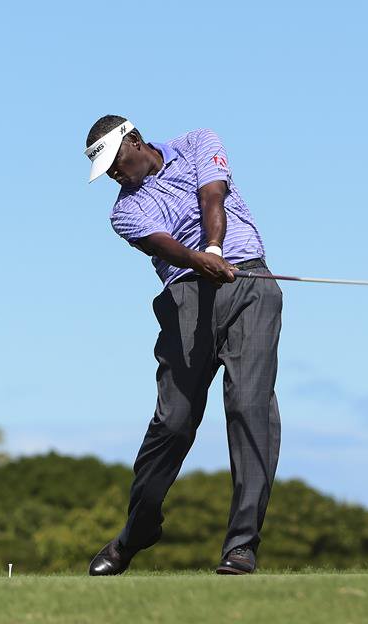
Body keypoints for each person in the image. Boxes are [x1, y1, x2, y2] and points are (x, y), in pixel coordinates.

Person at [83, 116, 282, 575]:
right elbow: (166, 246)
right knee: (173, 422)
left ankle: (241, 545)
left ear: (135, 140)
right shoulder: (122, 211)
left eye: (116, 160)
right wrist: (201, 259)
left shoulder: (198, 141)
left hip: (249, 281)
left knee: (249, 405)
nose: (114, 172)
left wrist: (215, 249)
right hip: (186, 296)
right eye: (107, 169)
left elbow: (213, 194)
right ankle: (138, 529)